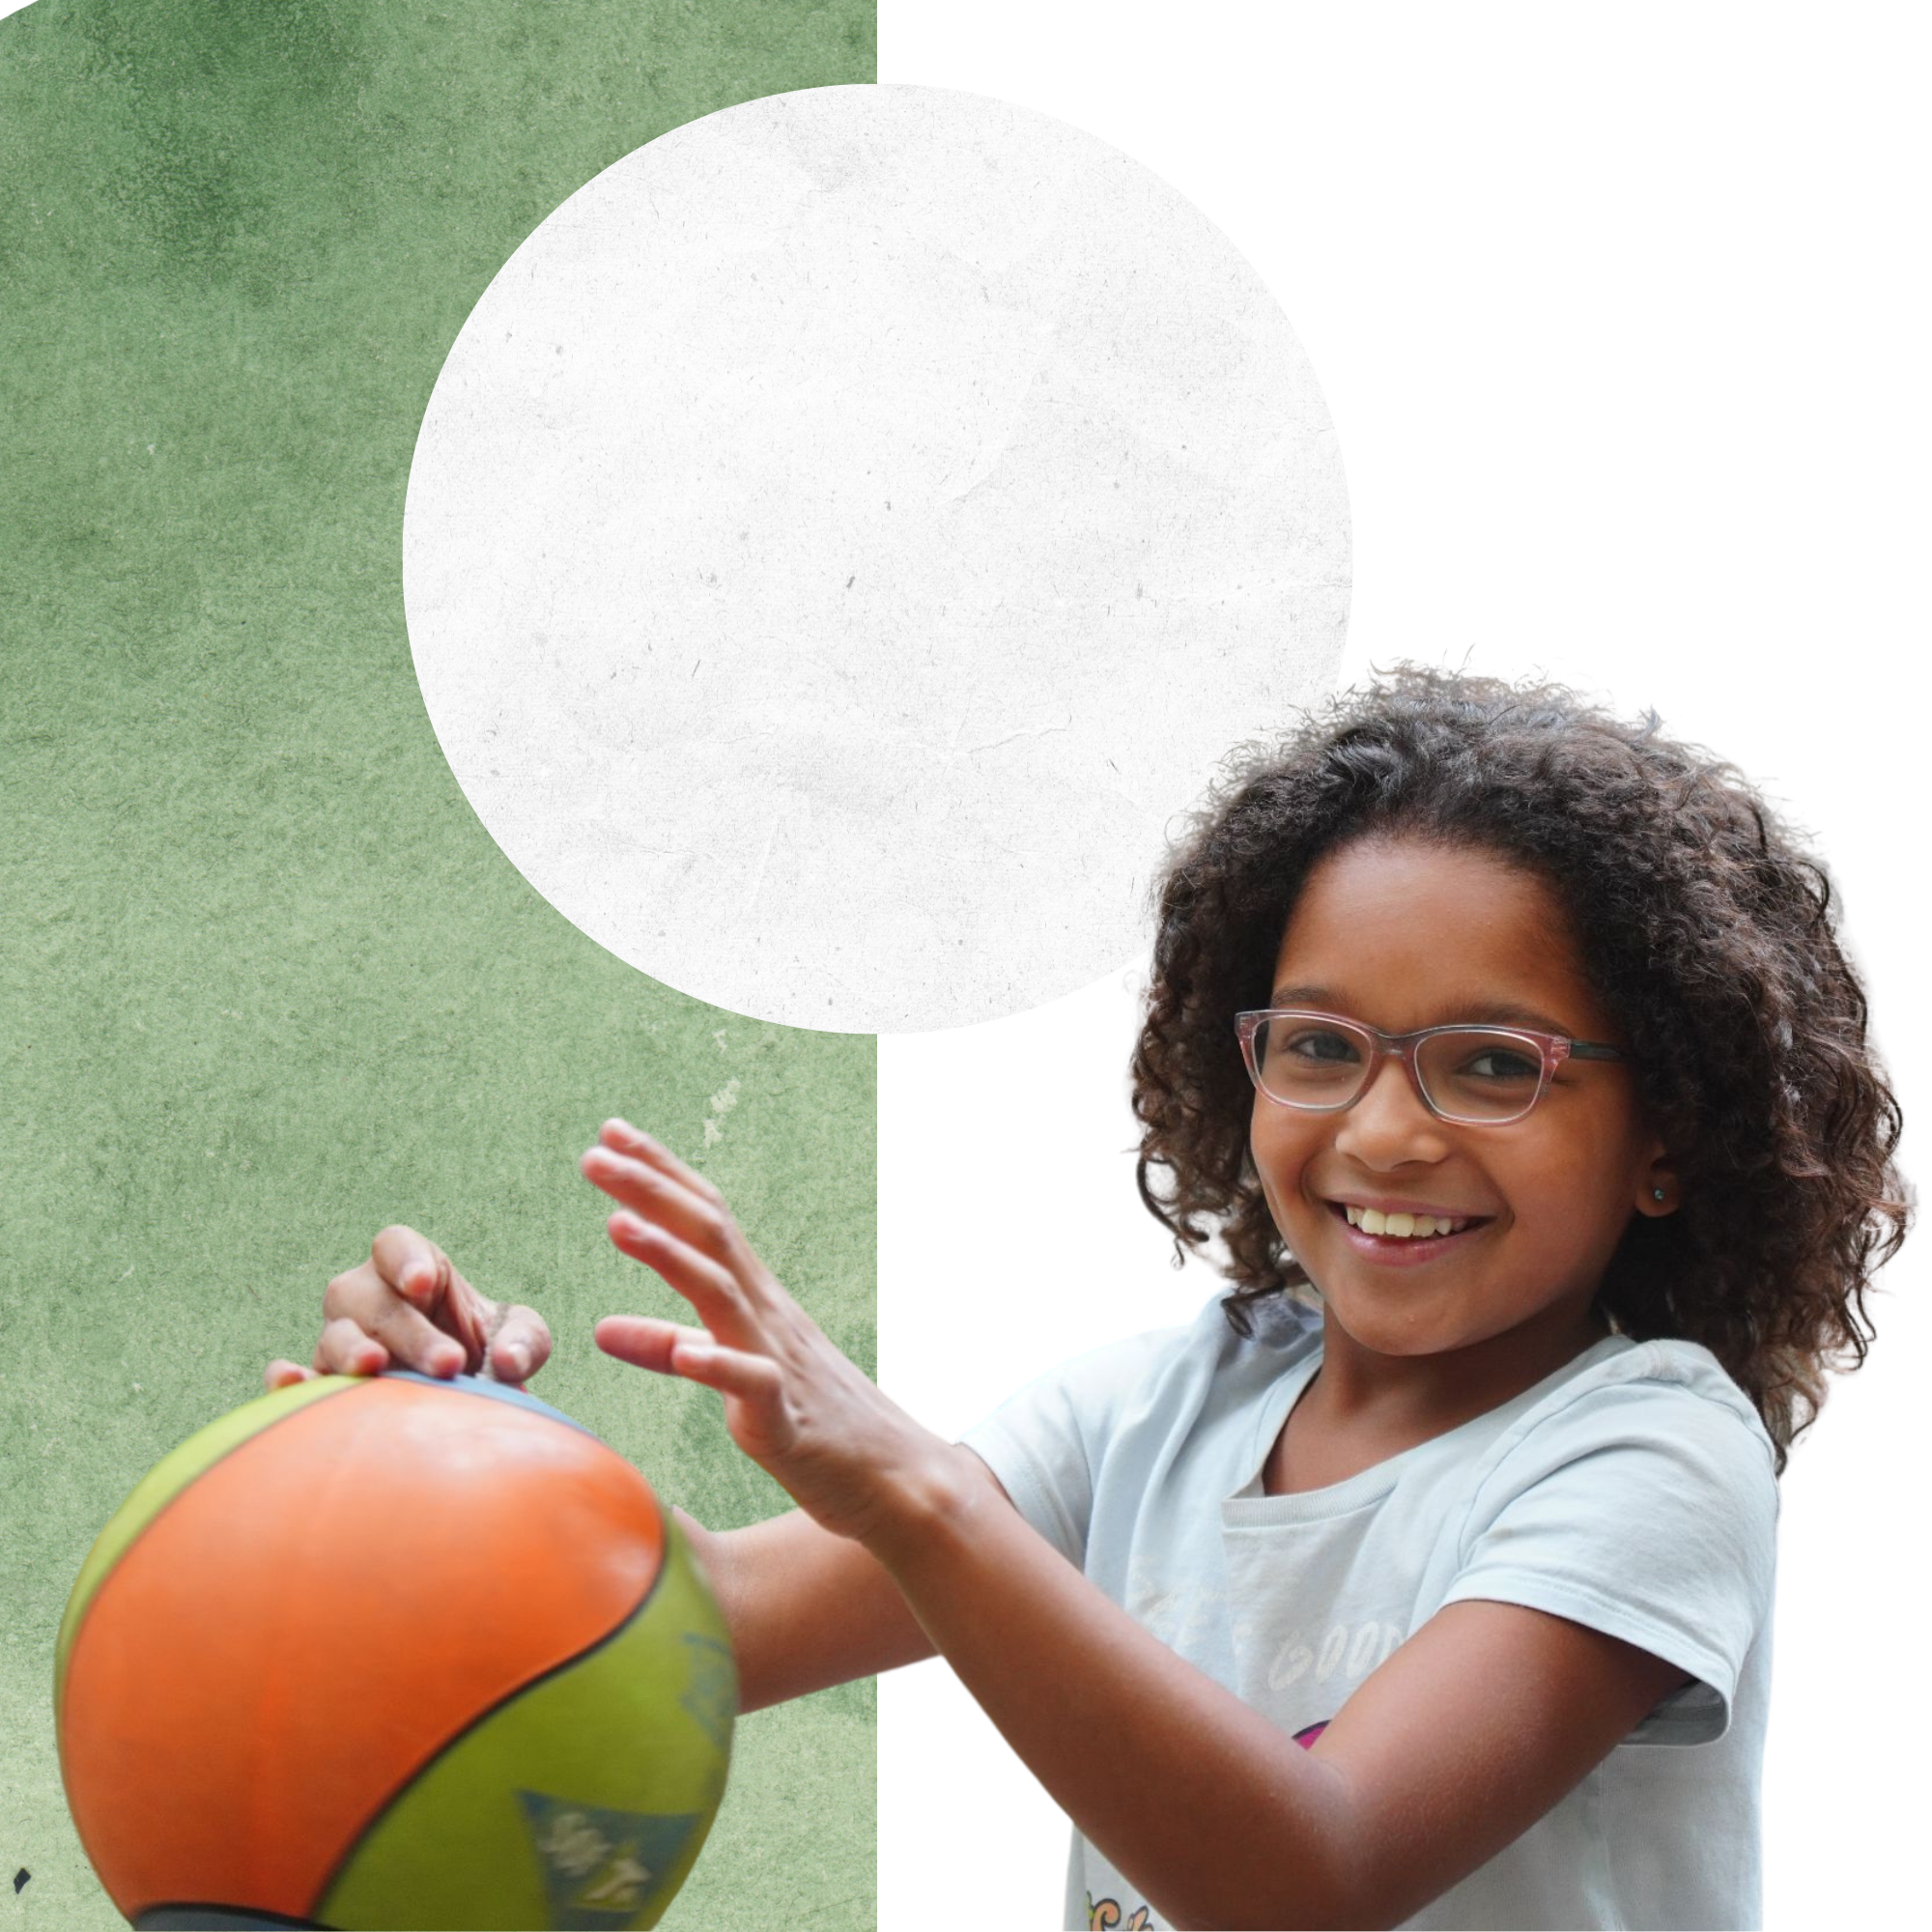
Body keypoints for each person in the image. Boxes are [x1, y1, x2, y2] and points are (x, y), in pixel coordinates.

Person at [268, 656, 1912, 1929]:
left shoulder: (1650, 1456)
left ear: (1669, 1138)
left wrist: (915, 1491)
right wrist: (455, 1440)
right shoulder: (1155, 1407)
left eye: (1496, 1064)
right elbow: (691, 1629)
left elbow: (1311, 1883)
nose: (1386, 1132)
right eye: (1321, 1046)